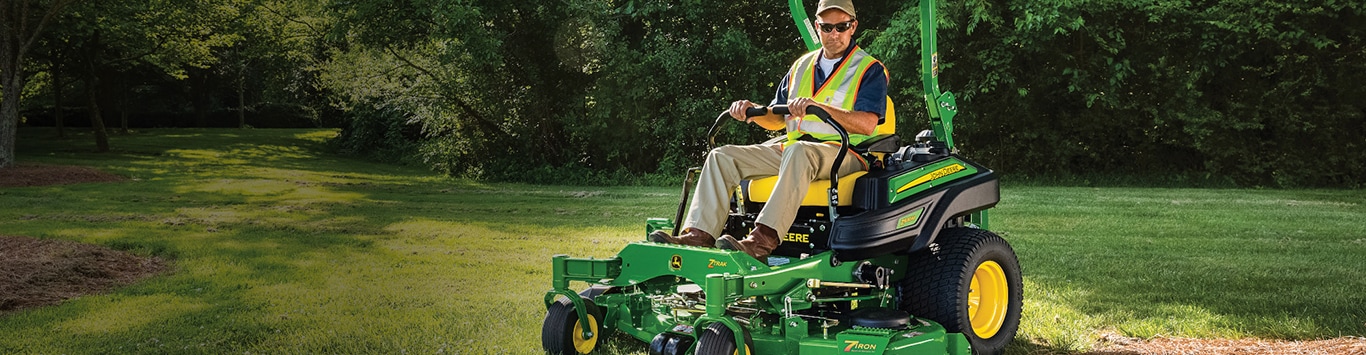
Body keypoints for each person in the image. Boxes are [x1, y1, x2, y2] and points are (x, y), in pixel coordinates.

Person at [650, 0, 889, 261]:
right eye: (827, 27)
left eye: (841, 27)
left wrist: (817, 107)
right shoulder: (801, 66)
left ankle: (761, 242)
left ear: (853, 26)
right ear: (817, 27)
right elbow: (777, 118)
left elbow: (867, 124)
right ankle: (699, 235)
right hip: (794, 149)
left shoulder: (869, 68)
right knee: (722, 156)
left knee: (799, 151)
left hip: (844, 152)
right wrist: (751, 111)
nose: (834, 34)